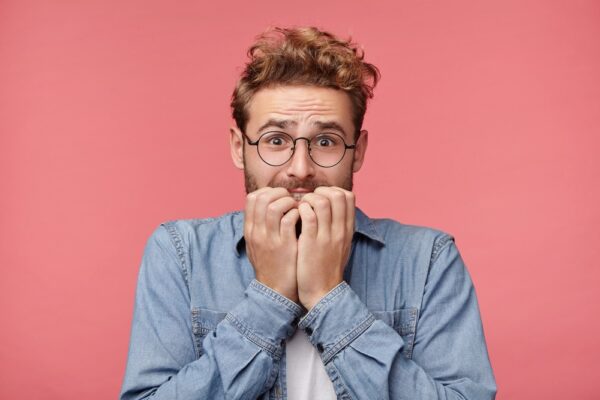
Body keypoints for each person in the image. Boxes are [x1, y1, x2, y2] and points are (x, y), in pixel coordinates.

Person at [120, 26, 497, 400]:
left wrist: (328, 295)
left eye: (326, 141)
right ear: (239, 148)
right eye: (276, 140)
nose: (300, 168)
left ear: (358, 150)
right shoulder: (180, 252)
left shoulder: (428, 260)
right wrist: (268, 297)